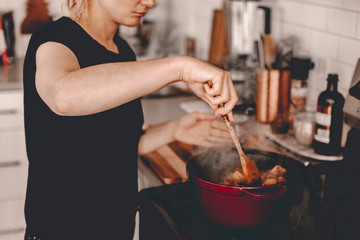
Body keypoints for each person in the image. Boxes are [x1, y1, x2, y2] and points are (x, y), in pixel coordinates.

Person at [23, 0, 238, 239]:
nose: (150, 2)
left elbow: (118, 143)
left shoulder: (123, 51)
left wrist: (173, 130)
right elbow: (62, 95)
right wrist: (181, 68)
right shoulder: (54, 40)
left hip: (116, 229)